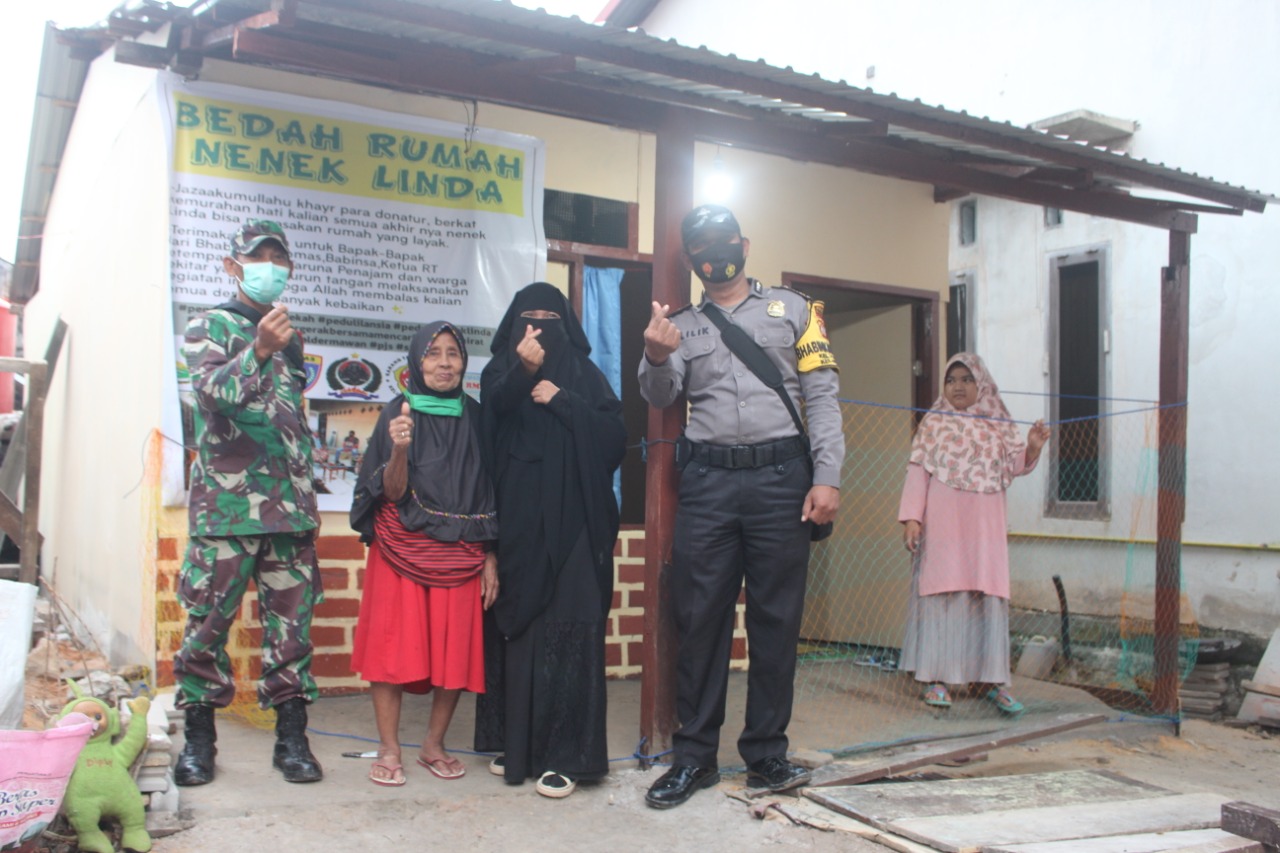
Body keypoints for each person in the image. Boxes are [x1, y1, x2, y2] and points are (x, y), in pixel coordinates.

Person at [638, 204, 843, 809]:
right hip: (709, 484)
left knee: (776, 622)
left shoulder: (797, 311)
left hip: (784, 480)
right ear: (692, 259)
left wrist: (827, 476)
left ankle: (766, 755)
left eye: (724, 241)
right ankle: (694, 758)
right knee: (699, 619)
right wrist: (654, 354)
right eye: (701, 245)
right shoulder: (677, 325)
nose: (715, 252)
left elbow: (823, 394)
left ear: (745, 244)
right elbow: (660, 395)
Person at [173, 219, 323, 786]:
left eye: (278, 258)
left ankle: (291, 740)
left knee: (292, 632)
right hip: (228, 513)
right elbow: (213, 398)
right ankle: (199, 740)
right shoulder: (208, 326)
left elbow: (290, 418)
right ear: (234, 266)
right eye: (258, 257)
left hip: (289, 513)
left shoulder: (294, 337)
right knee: (207, 626)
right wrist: (259, 350)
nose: (270, 267)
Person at [474, 282, 626, 799]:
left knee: (570, 631)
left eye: (549, 317)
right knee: (520, 631)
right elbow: (492, 419)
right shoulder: (499, 370)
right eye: (528, 317)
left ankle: (568, 757)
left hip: (575, 528)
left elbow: (614, 442)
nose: (538, 327)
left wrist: (563, 400)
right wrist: (524, 373)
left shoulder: (585, 375)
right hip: (516, 527)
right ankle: (519, 747)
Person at [349, 322, 499, 786]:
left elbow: (490, 490)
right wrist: (398, 448)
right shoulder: (399, 410)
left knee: (454, 652)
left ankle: (433, 745)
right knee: (392, 650)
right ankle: (390, 748)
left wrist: (490, 556)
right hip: (402, 549)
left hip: (461, 553)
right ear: (417, 361)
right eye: (433, 354)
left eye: (453, 353)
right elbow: (389, 491)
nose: (444, 363)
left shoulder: (477, 417)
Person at [897, 352, 1050, 713]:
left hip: (985, 532)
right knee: (942, 594)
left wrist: (1031, 447)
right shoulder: (934, 423)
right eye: (951, 380)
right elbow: (917, 473)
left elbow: (1016, 465)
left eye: (967, 379)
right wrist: (912, 520)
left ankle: (992, 681)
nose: (958, 386)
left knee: (987, 596)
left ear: (981, 383)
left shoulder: (997, 423)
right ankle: (935, 678)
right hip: (945, 529)